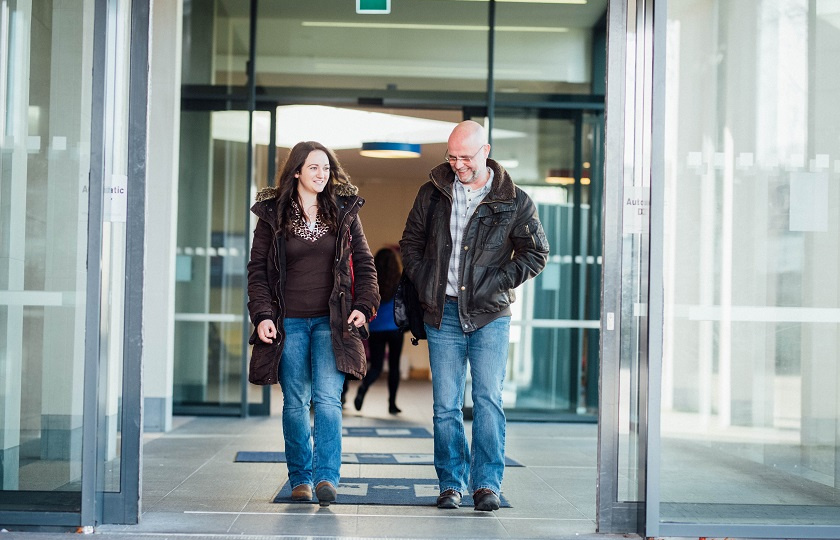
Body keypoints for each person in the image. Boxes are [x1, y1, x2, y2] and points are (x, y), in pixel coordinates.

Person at [399, 120, 549, 512]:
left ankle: (486, 485)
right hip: (443, 313)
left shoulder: (515, 200)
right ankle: (451, 484)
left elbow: (536, 253)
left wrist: (498, 282)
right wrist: (424, 276)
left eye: (465, 157)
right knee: (445, 405)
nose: (457, 164)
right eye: (451, 157)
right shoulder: (432, 193)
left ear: (485, 152)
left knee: (487, 400)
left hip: (489, 315)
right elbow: (410, 243)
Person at [246, 141, 379, 507]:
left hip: (331, 322)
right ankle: (300, 479)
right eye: (314, 168)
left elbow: (365, 264)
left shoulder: (344, 211)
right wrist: (263, 315)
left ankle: (326, 478)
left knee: (327, 400)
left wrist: (364, 305)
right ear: (297, 172)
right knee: (295, 403)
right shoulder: (273, 215)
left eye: (326, 168)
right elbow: (257, 271)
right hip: (288, 323)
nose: (322, 175)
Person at [353, 247, 405, 415]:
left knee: (376, 366)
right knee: (394, 367)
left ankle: (363, 388)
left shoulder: (373, 281)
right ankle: (392, 404)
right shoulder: (399, 281)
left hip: (376, 328)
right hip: (395, 328)